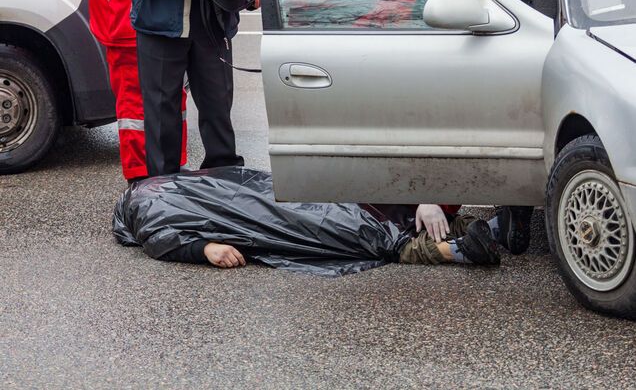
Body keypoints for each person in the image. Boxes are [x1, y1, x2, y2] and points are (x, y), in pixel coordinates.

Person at [113, 167, 532, 275]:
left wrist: (205, 248)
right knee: (339, 225)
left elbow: (159, 240)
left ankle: (466, 239)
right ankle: (456, 245)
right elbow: (161, 241)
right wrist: (207, 248)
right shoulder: (150, 199)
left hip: (260, 204)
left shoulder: (146, 202)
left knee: (335, 221)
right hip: (260, 210)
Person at [114, 0, 244, 177]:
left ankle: (226, 187)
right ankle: (163, 191)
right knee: (161, 117)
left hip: (213, 21)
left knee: (218, 110)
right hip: (158, 23)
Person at [86, 0, 188, 184]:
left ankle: (169, 170)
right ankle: (142, 176)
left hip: (148, 16)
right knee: (136, 106)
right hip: (128, 18)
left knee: (169, 99)